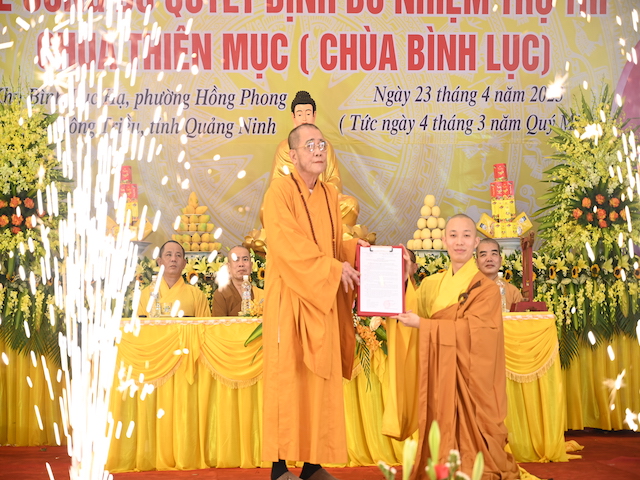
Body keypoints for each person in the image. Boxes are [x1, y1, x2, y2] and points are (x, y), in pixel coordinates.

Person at [262, 123, 368, 480]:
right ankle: (279, 468)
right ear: (293, 156)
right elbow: (286, 244)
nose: (319, 150)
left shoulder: (328, 194)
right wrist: (333, 267)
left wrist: (356, 252)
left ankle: (312, 465)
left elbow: (333, 245)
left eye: (322, 144)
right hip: (290, 299)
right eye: (310, 145)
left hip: (322, 299)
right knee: (288, 379)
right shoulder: (279, 191)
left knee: (321, 380)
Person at [392, 214, 520, 480]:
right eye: (453, 235)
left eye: (466, 236)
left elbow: (478, 336)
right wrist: (403, 278)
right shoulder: (432, 284)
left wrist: (424, 326)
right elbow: (410, 311)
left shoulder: (485, 289)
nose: (459, 242)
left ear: (475, 242)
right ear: (444, 240)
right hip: (440, 373)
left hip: (469, 380)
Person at [267, 90, 359, 226]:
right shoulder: (285, 147)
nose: (304, 119)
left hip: (322, 201)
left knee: (350, 205)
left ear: (314, 115)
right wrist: (298, 194)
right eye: (300, 114)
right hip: (293, 203)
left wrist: (317, 192)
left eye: (308, 113)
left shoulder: (325, 146)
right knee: (267, 209)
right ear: (293, 117)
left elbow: (335, 179)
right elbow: (276, 183)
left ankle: (337, 235)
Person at [137, 240, 211, 318]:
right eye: (168, 255)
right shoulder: (145, 294)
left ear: (184, 263)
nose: (173, 259)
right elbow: (140, 324)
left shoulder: (197, 295)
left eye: (178, 255)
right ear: (160, 262)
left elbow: (205, 325)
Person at [212, 245, 264, 316]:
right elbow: (218, 322)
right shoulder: (221, 294)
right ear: (229, 267)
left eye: (245, 259)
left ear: (251, 265)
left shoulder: (262, 294)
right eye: (236, 260)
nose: (241, 264)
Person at [476, 238, 524, 309]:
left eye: (494, 254)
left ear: (500, 260)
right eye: (483, 255)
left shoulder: (512, 292)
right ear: (477, 262)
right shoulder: (468, 290)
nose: (489, 259)